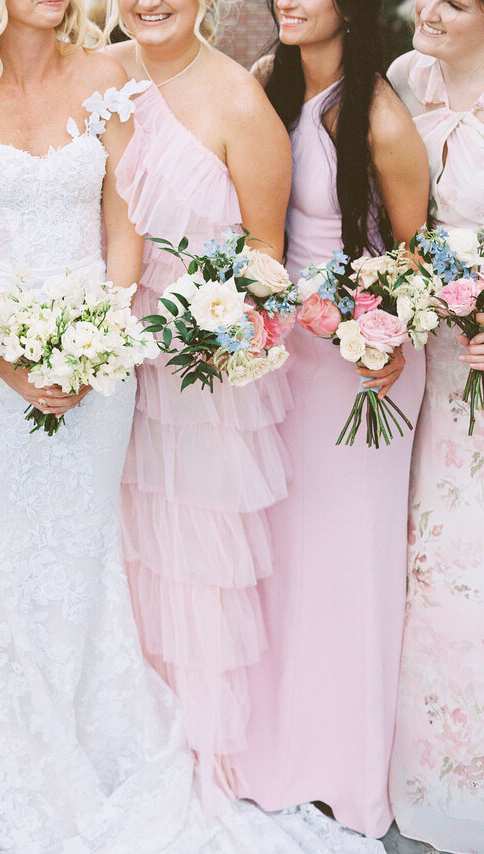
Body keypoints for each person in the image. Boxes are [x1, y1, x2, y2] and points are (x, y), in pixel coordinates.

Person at [0, 1, 386, 852]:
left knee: (92, 562)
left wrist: (95, 342)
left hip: (101, 369)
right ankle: (10, 782)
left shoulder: (106, 77)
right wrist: (2, 357)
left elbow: (123, 227)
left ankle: (106, 756)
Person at [229, 0, 430, 838]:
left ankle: (342, 767)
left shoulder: (379, 113)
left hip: (360, 369)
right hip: (283, 355)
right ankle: (270, 751)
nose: (288, 3)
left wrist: (383, 337)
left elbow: (418, 255)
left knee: (348, 562)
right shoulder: (263, 83)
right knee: (280, 557)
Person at [106, 0, 293, 805]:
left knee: (191, 552)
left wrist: (209, 324)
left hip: (197, 368)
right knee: (119, 546)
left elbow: (265, 253)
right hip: (101, 357)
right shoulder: (101, 72)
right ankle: (123, 733)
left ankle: (199, 755)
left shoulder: (239, 103)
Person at [387, 1, 484, 848]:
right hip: (428, 355)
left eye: (454, 2)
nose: (427, 12)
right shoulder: (405, 80)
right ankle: (418, 761)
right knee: (423, 552)